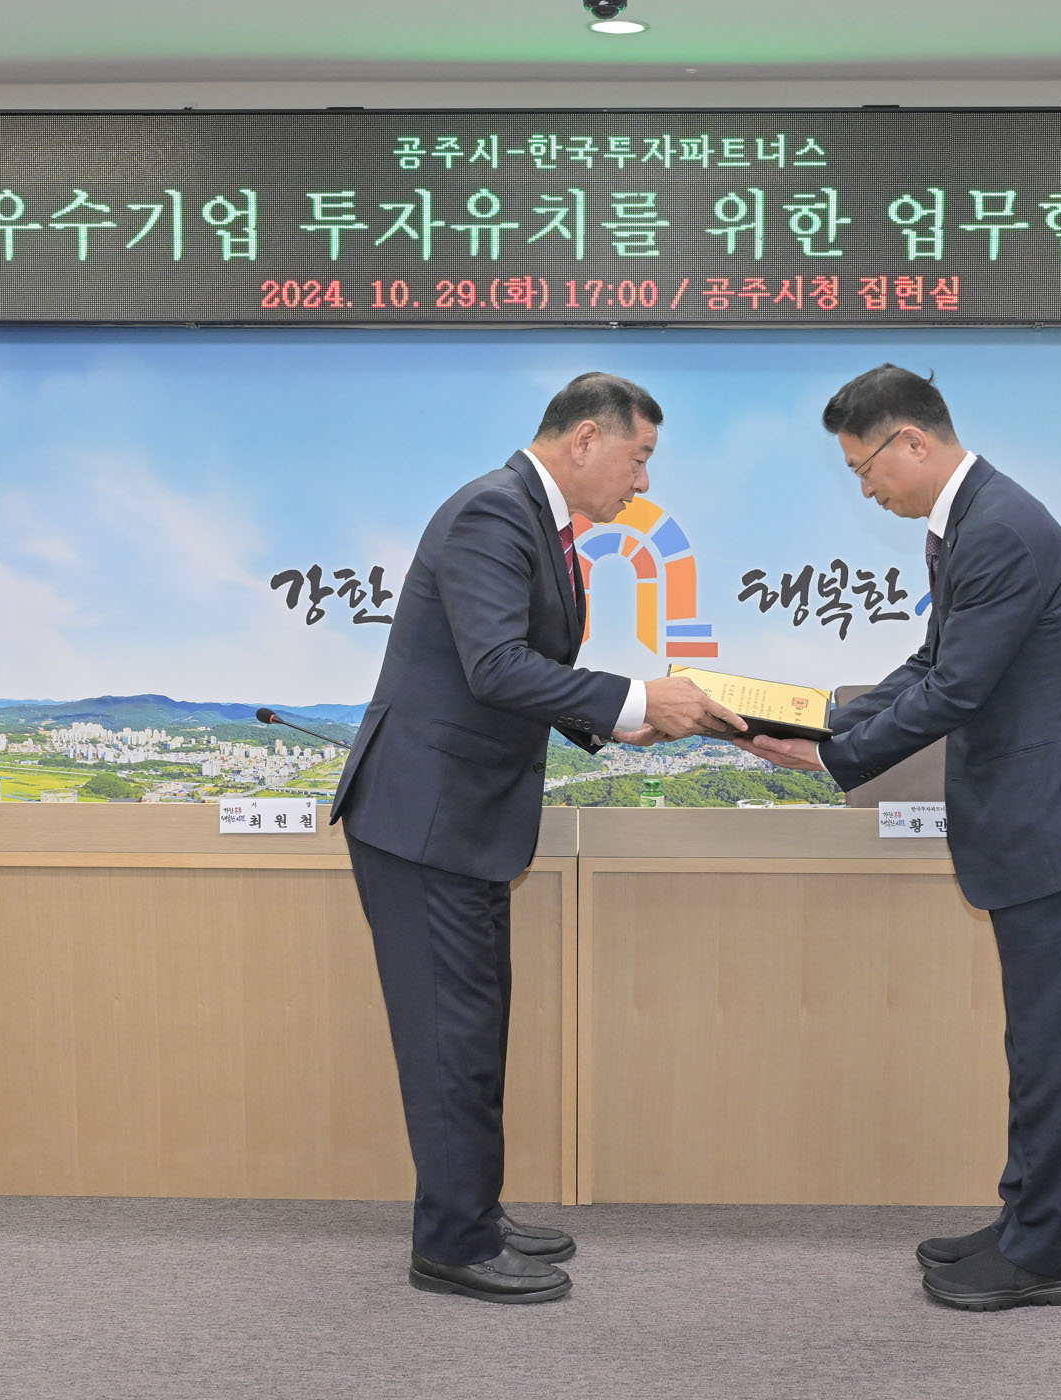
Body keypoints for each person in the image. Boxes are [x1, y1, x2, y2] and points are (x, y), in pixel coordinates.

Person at [738, 364, 1061, 1313]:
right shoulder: (971, 521)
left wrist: (832, 760)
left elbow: (957, 691)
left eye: (863, 468)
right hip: (1040, 815)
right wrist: (822, 720)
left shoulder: (998, 528)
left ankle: (1045, 1257)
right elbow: (931, 663)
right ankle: (1025, 1223)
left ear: (912, 441)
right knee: (1035, 1040)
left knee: (1053, 1044)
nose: (864, 489)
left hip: (1058, 820)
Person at [331, 371, 744, 1304]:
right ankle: (452, 1244)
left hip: (462, 823)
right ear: (587, 438)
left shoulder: (536, 523)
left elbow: (522, 674)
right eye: (640, 457)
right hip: (423, 822)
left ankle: (472, 1211)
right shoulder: (493, 513)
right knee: (451, 1038)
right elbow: (496, 666)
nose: (643, 482)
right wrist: (637, 697)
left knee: (474, 1032)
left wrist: (623, 724)